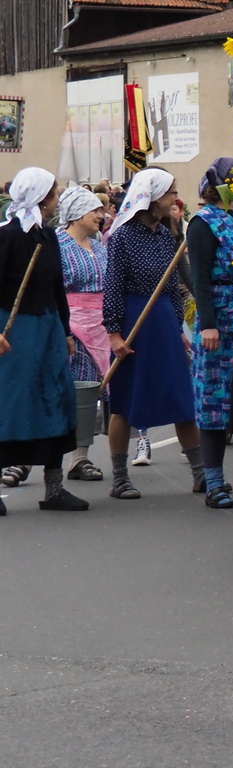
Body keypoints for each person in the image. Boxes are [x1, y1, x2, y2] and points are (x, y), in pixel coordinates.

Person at [102, 168, 202, 500]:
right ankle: (120, 478)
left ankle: (201, 473)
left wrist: (177, 326)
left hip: (162, 321)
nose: (175, 198)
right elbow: (113, 287)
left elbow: (173, 286)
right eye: (171, 192)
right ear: (153, 198)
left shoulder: (166, 235)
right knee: (126, 402)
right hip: (134, 319)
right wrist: (114, 333)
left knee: (181, 397)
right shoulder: (122, 237)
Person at [0, 169, 87, 513]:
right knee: (11, 404)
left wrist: (65, 330)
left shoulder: (48, 238)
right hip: (14, 331)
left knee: (55, 400)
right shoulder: (6, 237)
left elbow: (56, 288)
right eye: (54, 193)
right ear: (39, 197)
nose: (57, 199)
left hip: (48, 330)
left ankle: (54, 489)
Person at [184, 158, 233, 509]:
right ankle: (214, 481)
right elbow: (200, 279)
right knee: (213, 398)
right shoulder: (203, 223)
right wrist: (207, 322)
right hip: (218, 312)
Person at [56, 185, 109, 482]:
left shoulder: (100, 246)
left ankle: (80, 458)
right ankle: (24, 458)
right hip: (70, 326)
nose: (102, 215)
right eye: (96, 210)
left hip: (99, 327)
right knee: (61, 391)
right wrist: (64, 329)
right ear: (77, 214)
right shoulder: (57, 244)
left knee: (88, 394)